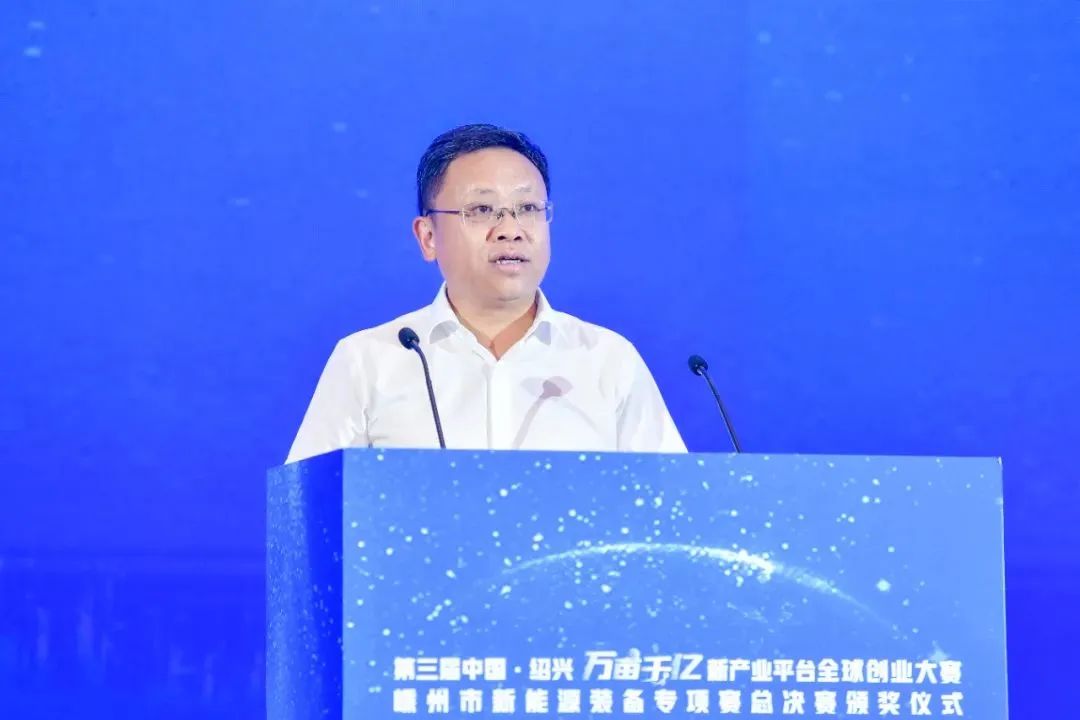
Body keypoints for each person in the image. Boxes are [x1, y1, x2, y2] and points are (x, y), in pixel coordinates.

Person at [286, 123, 685, 463]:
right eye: (481, 210)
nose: (510, 230)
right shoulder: (368, 361)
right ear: (428, 237)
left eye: (528, 208)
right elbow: (310, 515)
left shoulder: (608, 361)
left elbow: (671, 510)